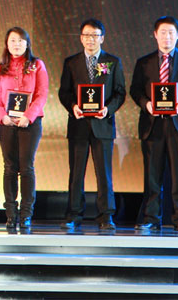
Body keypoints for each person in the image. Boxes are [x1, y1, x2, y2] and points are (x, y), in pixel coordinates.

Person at [130, 16, 178, 232]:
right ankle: (151, 218)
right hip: (152, 124)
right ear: (155, 35)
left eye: (171, 32)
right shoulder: (143, 62)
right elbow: (135, 90)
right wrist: (147, 104)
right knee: (152, 175)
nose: (167, 37)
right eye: (163, 32)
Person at [58, 19, 126, 231]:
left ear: (102, 38)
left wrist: (108, 109)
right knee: (76, 173)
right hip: (78, 125)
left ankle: (106, 215)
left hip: (102, 125)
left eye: (95, 35)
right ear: (81, 38)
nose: (90, 39)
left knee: (104, 173)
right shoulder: (71, 62)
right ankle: (73, 215)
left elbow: (120, 92)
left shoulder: (112, 62)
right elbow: (64, 92)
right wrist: (73, 106)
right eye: (87, 35)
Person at [0, 27, 48, 231]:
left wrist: (28, 116)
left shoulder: (37, 65)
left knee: (26, 167)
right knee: (9, 167)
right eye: (13, 41)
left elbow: (42, 93)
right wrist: (2, 116)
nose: (16, 44)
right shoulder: (1, 68)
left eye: (21, 40)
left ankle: (26, 214)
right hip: (7, 123)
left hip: (29, 124)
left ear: (27, 43)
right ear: (7, 44)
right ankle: (10, 214)